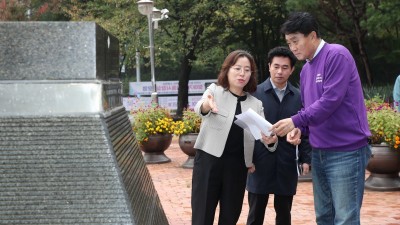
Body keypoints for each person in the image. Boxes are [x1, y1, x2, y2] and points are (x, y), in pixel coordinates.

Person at [272, 12, 372, 225]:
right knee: (324, 217)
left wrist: (295, 121)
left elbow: (329, 102)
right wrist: (301, 130)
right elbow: (311, 110)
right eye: (289, 43)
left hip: (347, 151)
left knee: (345, 219)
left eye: (296, 41)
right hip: (320, 153)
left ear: (312, 35)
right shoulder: (306, 69)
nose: (293, 48)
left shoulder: (337, 55)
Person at [191, 50, 277, 225]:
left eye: (247, 70)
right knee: (202, 214)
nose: (242, 74)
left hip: (237, 167)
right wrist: (208, 105)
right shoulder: (214, 90)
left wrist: (271, 141)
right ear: (227, 70)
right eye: (237, 68)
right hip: (209, 161)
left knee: (230, 216)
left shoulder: (256, 104)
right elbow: (200, 107)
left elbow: (265, 134)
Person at [246, 46, 311, 225]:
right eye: (276, 66)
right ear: (269, 67)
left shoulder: (299, 96)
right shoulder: (254, 94)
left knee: (284, 215)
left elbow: (305, 130)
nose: (279, 71)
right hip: (259, 163)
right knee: (255, 215)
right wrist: (247, 160)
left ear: (291, 70)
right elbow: (246, 131)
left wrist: (306, 158)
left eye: (284, 67)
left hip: (286, 162)